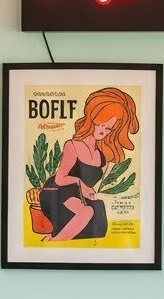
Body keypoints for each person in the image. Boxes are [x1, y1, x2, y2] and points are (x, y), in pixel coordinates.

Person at [39, 87, 139, 241]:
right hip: (58, 191)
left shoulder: (103, 156)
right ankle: (53, 242)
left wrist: (90, 192)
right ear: (93, 118)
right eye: (101, 124)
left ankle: (57, 236)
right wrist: (80, 183)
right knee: (86, 213)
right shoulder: (73, 145)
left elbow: (92, 185)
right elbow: (60, 179)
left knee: (98, 225)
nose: (104, 131)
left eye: (109, 128)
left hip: (80, 197)